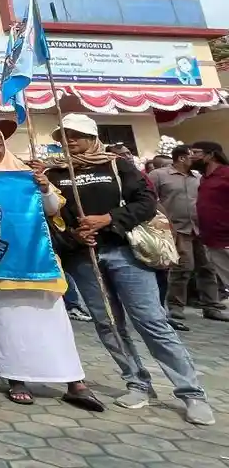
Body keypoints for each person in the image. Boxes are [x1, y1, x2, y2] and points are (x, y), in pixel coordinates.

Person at [47, 114, 213, 426]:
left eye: (77, 134)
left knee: (151, 321)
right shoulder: (53, 173)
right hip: (84, 259)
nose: (69, 140)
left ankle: (191, 391)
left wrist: (107, 219)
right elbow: (52, 217)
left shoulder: (116, 165)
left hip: (125, 252)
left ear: (93, 136)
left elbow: (146, 202)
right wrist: (74, 235)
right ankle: (136, 382)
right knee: (108, 324)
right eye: (64, 134)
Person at [0, 124, 102, 410]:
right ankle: (16, 379)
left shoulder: (24, 173)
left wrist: (44, 186)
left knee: (52, 321)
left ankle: (74, 381)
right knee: (4, 323)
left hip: (36, 260)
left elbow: (52, 209)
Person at [149, 146, 229, 322]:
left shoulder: (199, 177)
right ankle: (176, 306)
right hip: (177, 228)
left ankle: (211, 306)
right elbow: (149, 198)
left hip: (200, 228)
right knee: (183, 267)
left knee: (208, 268)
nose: (195, 158)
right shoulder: (159, 175)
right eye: (191, 155)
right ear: (182, 158)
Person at [192, 142, 229, 288]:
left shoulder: (226, 173)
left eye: (196, 153)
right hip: (213, 240)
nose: (191, 156)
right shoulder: (204, 178)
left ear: (211, 155)